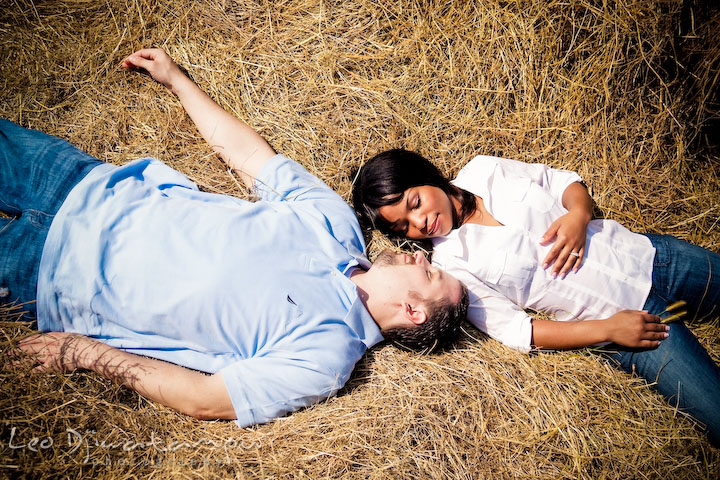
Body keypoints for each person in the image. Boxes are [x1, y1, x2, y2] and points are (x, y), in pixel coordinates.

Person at [1, 49, 469, 428]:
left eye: (427, 271)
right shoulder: (336, 225)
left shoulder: (324, 358)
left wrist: (84, 353)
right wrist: (178, 81)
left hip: (45, 274)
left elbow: (204, 399)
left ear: (414, 311)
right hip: (82, 182)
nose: (416, 256)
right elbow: (249, 156)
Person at [353, 148, 720, 445]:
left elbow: (561, 182)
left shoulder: (484, 170)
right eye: (403, 226)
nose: (418, 223)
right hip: (629, 321)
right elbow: (521, 332)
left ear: (426, 177)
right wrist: (609, 330)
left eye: (415, 204)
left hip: (653, 258)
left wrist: (579, 214)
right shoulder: (452, 267)